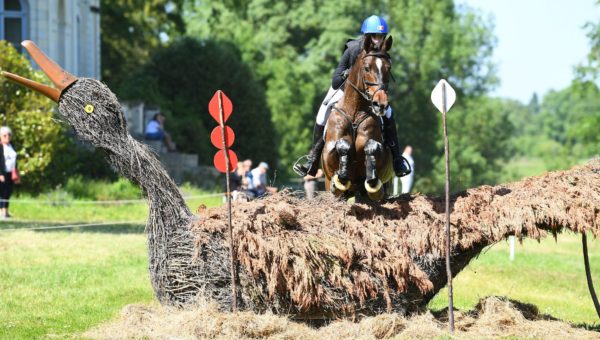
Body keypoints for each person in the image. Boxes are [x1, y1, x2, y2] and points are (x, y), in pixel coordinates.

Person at [293, 15, 410, 178]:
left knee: (389, 113)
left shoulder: (383, 54)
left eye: (381, 37)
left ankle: (397, 160)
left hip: (372, 93)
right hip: (346, 91)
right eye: (375, 36)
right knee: (322, 112)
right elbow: (335, 81)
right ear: (367, 36)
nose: (378, 40)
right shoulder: (353, 49)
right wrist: (347, 73)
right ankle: (312, 159)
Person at [0, 126, 18, 218]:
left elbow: (15, 160)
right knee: (2, 192)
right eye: (5, 135)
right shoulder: (0, 147)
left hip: (11, 173)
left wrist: (16, 174)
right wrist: (0, 174)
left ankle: (6, 211)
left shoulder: (12, 145)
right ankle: (1, 212)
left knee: (8, 192)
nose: (7, 137)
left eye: (9, 135)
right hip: (2, 174)